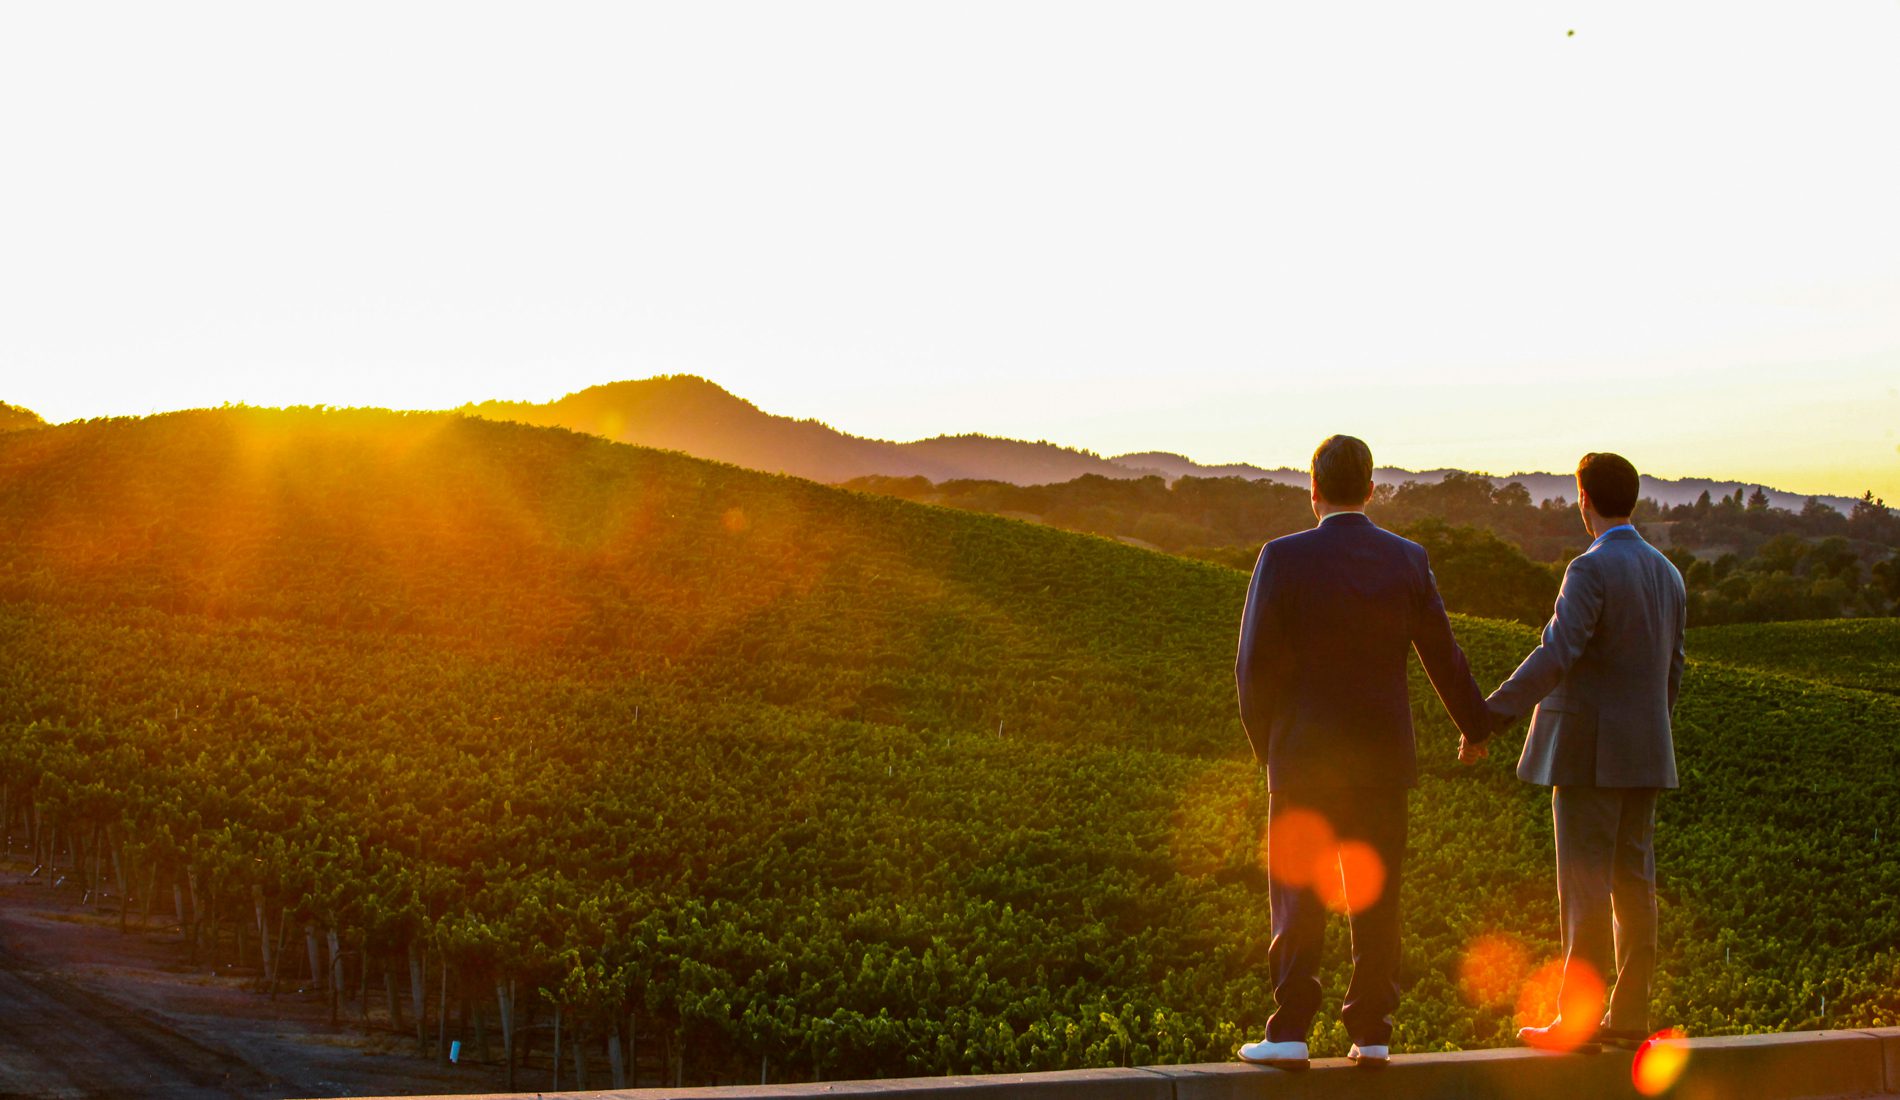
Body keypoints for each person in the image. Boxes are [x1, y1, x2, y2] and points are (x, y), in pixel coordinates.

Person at [1234, 434, 1495, 1070]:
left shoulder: (1282, 556)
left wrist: (1268, 749)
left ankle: (1291, 1029)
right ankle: (1373, 1029)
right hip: (1383, 761)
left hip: (1303, 758)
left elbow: (1251, 668)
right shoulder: (1407, 558)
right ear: (1373, 489)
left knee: (1299, 895)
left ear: (1313, 489)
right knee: (1378, 897)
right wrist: (1476, 725)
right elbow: (1442, 653)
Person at [1466, 452, 1685, 1052]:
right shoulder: (1668, 573)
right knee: (1634, 886)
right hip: (1646, 754)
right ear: (1633, 500)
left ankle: (1581, 1022)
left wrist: (1490, 715)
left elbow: (1556, 653)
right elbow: (1674, 672)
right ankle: (1631, 1015)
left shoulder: (1590, 569)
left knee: (1585, 890)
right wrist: (1649, 733)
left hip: (1589, 755)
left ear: (1584, 499)